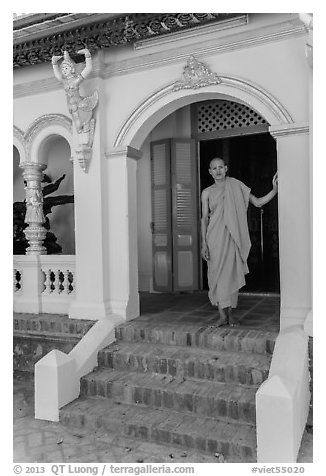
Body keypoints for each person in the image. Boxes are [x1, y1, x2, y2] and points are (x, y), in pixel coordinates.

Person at [201, 157, 278, 327]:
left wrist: (274, 190)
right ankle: (222, 316)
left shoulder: (235, 185)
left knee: (230, 275)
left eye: (221, 167)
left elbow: (257, 202)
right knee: (217, 276)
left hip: (232, 238)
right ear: (210, 171)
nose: (218, 170)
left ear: (226, 168)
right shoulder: (206, 192)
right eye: (214, 168)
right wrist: (203, 244)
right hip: (214, 239)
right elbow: (204, 219)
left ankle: (230, 314)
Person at [51, 49, 98, 143]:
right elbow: (57, 75)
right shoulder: (64, 81)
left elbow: (88, 69)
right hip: (72, 108)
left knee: (83, 125)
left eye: (66, 68)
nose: (64, 70)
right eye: (63, 69)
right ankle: (82, 144)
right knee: (78, 128)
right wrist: (54, 63)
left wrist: (87, 55)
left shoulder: (76, 80)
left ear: (72, 69)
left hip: (80, 105)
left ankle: (86, 142)